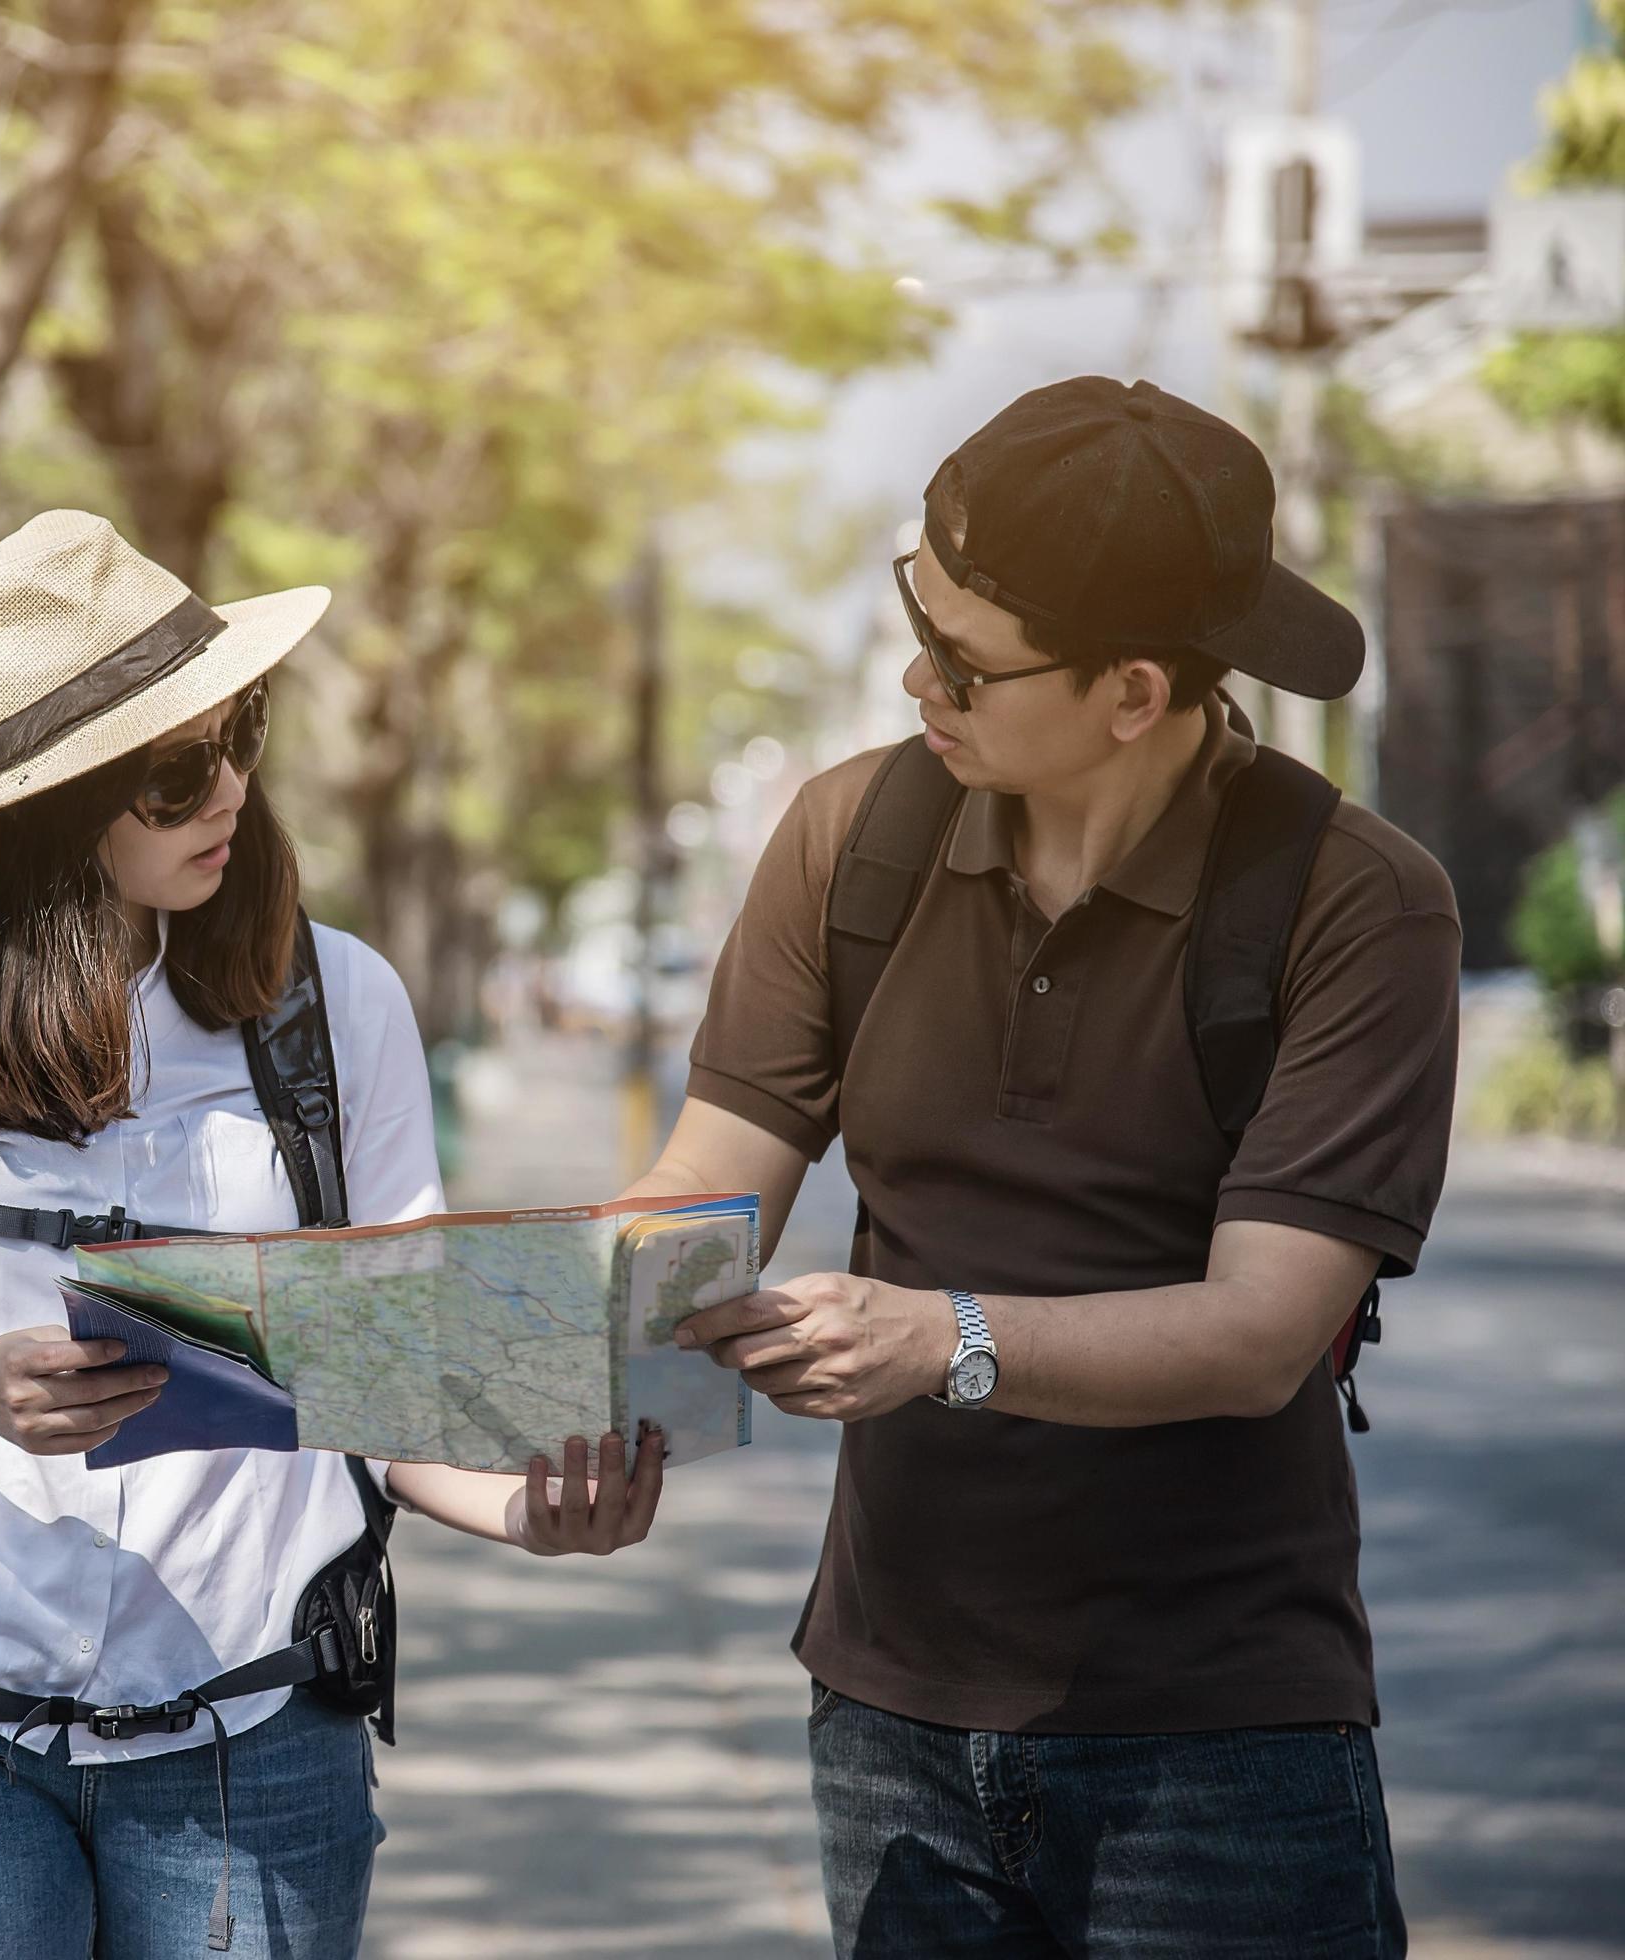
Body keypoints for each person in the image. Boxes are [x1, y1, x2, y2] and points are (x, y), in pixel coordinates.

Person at [0, 509, 667, 1960]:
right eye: (176, 774)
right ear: (51, 810)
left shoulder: (335, 1006)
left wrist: (527, 1510)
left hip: (257, 1746)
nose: (229, 788)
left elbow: (399, 1379)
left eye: (239, 730)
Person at [624, 378, 1459, 1956]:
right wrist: (500, 1355)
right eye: (913, 616)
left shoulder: (1356, 905)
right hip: (886, 1717)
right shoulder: (848, 839)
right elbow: (701, 1198)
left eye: (965, 664)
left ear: (1133, 690)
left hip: (1218, 1745)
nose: (914, 677)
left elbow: (1260, 1330)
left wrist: (943, 1337)